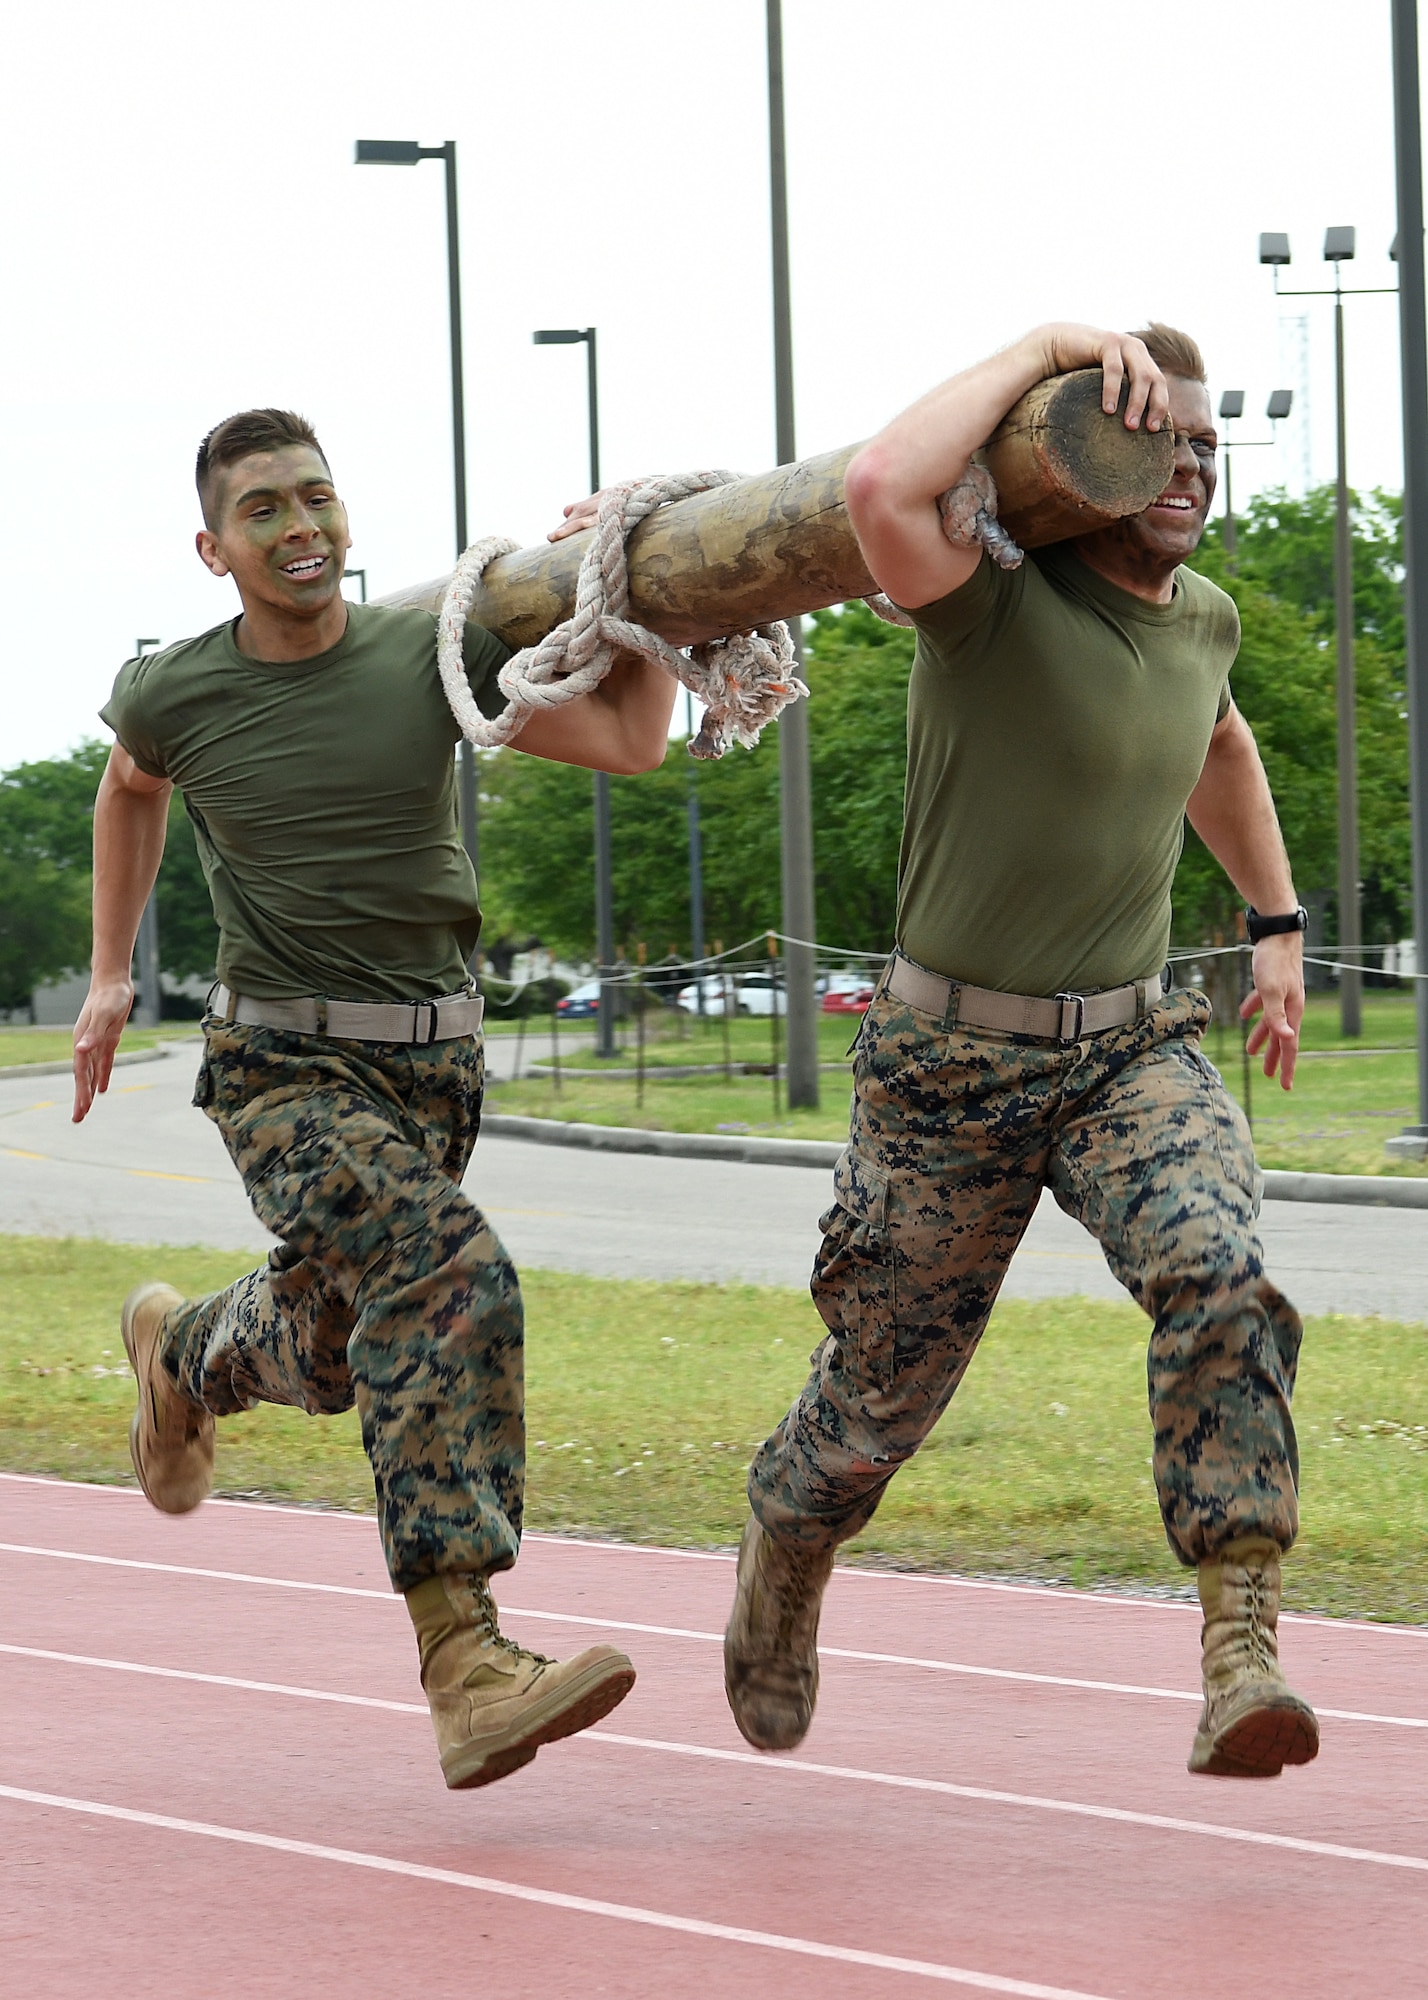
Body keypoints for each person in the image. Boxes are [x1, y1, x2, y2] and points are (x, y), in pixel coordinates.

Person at [723, 323, 1320, 1781]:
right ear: (1085, 447)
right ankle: (788, 1541)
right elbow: (877, 490)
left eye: (1200, 439)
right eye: (1150, 428)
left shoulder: (1208, 620)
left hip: (1130, 1052)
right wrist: (1052, 346)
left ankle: (1241, 1638)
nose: (1184, 458)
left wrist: (1278, 922)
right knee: (876, 1407)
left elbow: (1221, 746)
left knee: (1221, 1273)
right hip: (946, 1071)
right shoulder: (986, 594)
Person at [74, 408, 676, 1790]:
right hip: (282, 1066)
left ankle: (183, 1361)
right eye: (266, 510)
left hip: (434, 1068)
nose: (299, 528)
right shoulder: (179, 690)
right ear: (214, 547)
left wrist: (626, 590)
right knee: (450, 1271)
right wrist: (111, 973)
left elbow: (634, 744)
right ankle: (465, 1661)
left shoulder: (428, 655)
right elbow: (127, 783)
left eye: (316, 499)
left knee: (343, 1343)